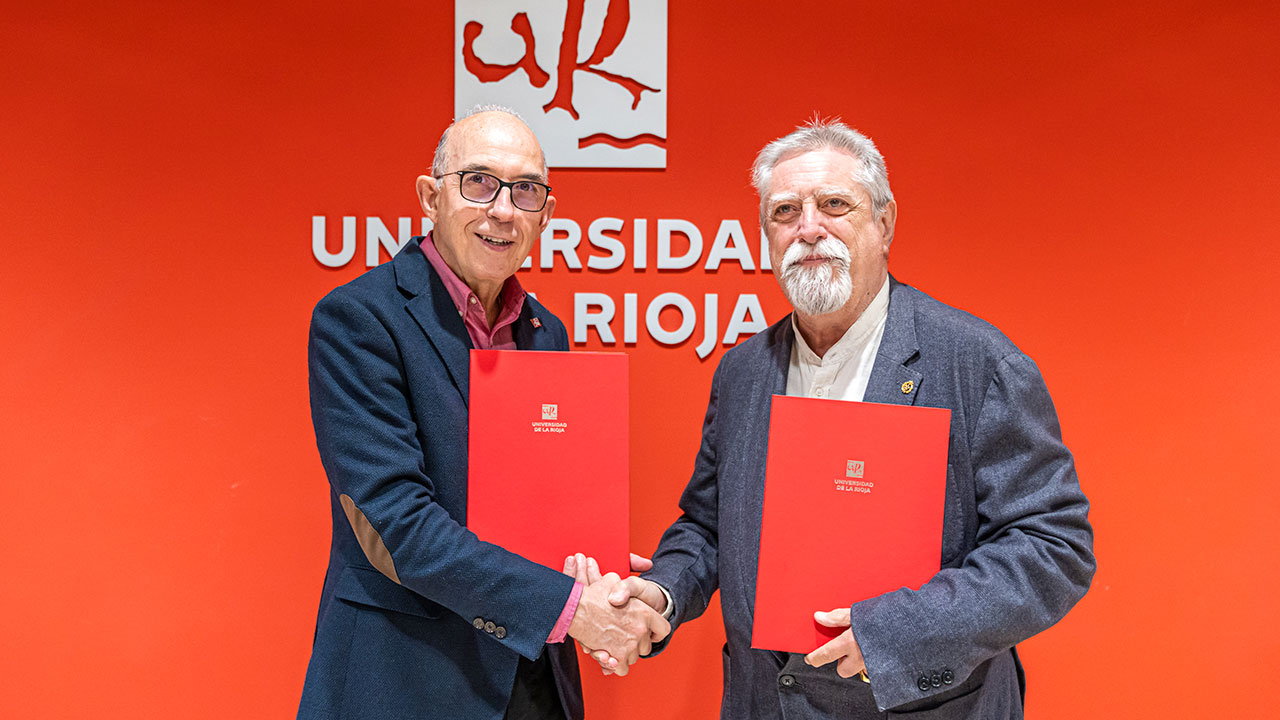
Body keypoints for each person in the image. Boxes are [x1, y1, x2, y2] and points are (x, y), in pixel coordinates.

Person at [598, 119, 1095, 718]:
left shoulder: (978, 362)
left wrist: (898, 632)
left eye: (834, 204)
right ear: (765, 237)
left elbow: (1053, 546)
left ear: (883, 224)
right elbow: (708, 525)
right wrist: (662, 593)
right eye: (785, 212)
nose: (809, 229)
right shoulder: (742, 373)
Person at [298, 107, 669, 720]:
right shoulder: (359, 319)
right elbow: (398, 526)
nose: (502, 209)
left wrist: (589, 558)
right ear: (430, 196)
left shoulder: (544, 330)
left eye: (525, 190)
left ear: (545, 214)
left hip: (531, 680)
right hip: (405, 679)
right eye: (479, 182)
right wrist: (575, 608)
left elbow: (541, 505)